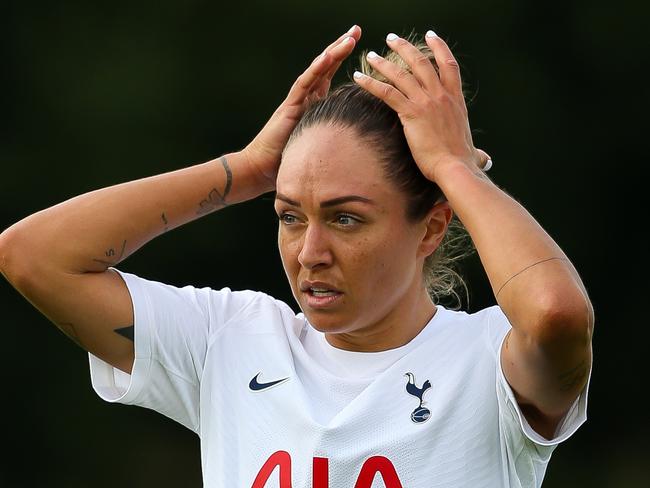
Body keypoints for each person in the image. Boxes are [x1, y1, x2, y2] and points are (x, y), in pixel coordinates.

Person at [0, 25, 593, 487]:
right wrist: (245, 170)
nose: (310, 253)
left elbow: (557, 314)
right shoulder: (228, 342)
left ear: (432, 228)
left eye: (345, 218)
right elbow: (32, 256)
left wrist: (454, 168)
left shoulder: (489, 362)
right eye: (289, 215)